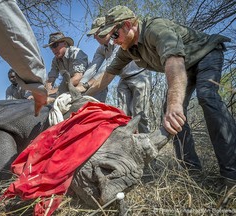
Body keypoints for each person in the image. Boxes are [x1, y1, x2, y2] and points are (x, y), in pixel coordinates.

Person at [85, 5, 236, 183]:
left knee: (206, 96)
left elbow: (174, 62)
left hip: (206, 54)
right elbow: (106, 77)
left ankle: (231, 174)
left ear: (128, 24)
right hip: (186, 67)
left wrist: (175, 105)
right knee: (170, 115)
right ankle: (191, 170)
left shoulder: (155, 29)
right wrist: (79, 93)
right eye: (110, 38)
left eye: (115, 35)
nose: (113, 41)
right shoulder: (127, 50)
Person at [77, 16, 151, 132]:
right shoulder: (101, 49)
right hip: (123, 79)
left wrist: (86, 87)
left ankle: (145, 144)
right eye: (94, 34)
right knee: (123, 115)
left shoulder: (118, 39)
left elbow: (108, 68)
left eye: (97, 33)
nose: (95, 37)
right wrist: (80, 85)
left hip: (139, 75)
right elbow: (92, 68)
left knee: (140, 114)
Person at [44, 32, 88, 100]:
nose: (53, 49)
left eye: (55, 45)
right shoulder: (55, 61)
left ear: (64, 43)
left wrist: (54, 91)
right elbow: (50, 80)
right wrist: (44, 93)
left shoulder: (76, 53)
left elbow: (77, 78)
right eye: (51, 47)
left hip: (91, 88)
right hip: (74, 90)